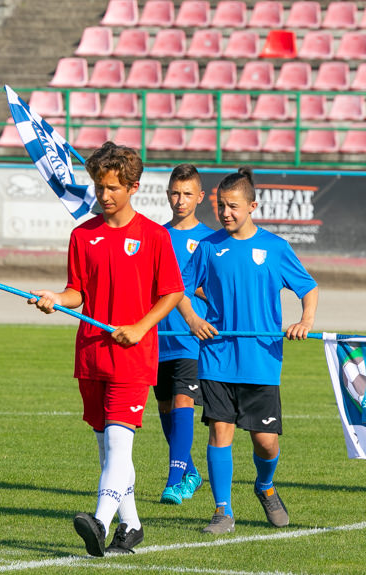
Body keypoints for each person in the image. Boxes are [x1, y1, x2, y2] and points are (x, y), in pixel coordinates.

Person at [29, 142, 184, 555]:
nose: (104, 195)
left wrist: (139, 327)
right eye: (99, 187)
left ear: (133, 187)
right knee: (107, 450)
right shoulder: (82, 235)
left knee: (119, 444)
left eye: (113, 188)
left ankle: (99, 520)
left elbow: (171, 293)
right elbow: (76, 291)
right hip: (92, 354)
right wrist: (54, 299)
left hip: (133, 358)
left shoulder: (153, 236)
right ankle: (130, 528)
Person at [179, 168, 318, 534]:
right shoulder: (208, 246)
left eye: (233, 206)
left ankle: (265, 485)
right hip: (217, 356)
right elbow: (179, 289)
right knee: (219, 432)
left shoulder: (275, 247)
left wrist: (305, 320)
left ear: (253, 205)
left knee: (266, 442)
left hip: (261, 359)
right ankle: (223, 510)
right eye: (221, 206)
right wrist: (194, 319)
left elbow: (308, 288)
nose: (225, 213)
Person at [156, 164, 214, 505]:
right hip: (158, 337)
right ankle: (190, 471)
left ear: (200, 197)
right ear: (167, 195)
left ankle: (174, 481)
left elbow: (216, 287)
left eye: (188, 194)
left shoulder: (210, 240)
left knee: (183, 401)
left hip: (191, 338)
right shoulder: (156, 235)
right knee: (165, 408)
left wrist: (198, 292)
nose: (181, 200)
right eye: (176, 193)